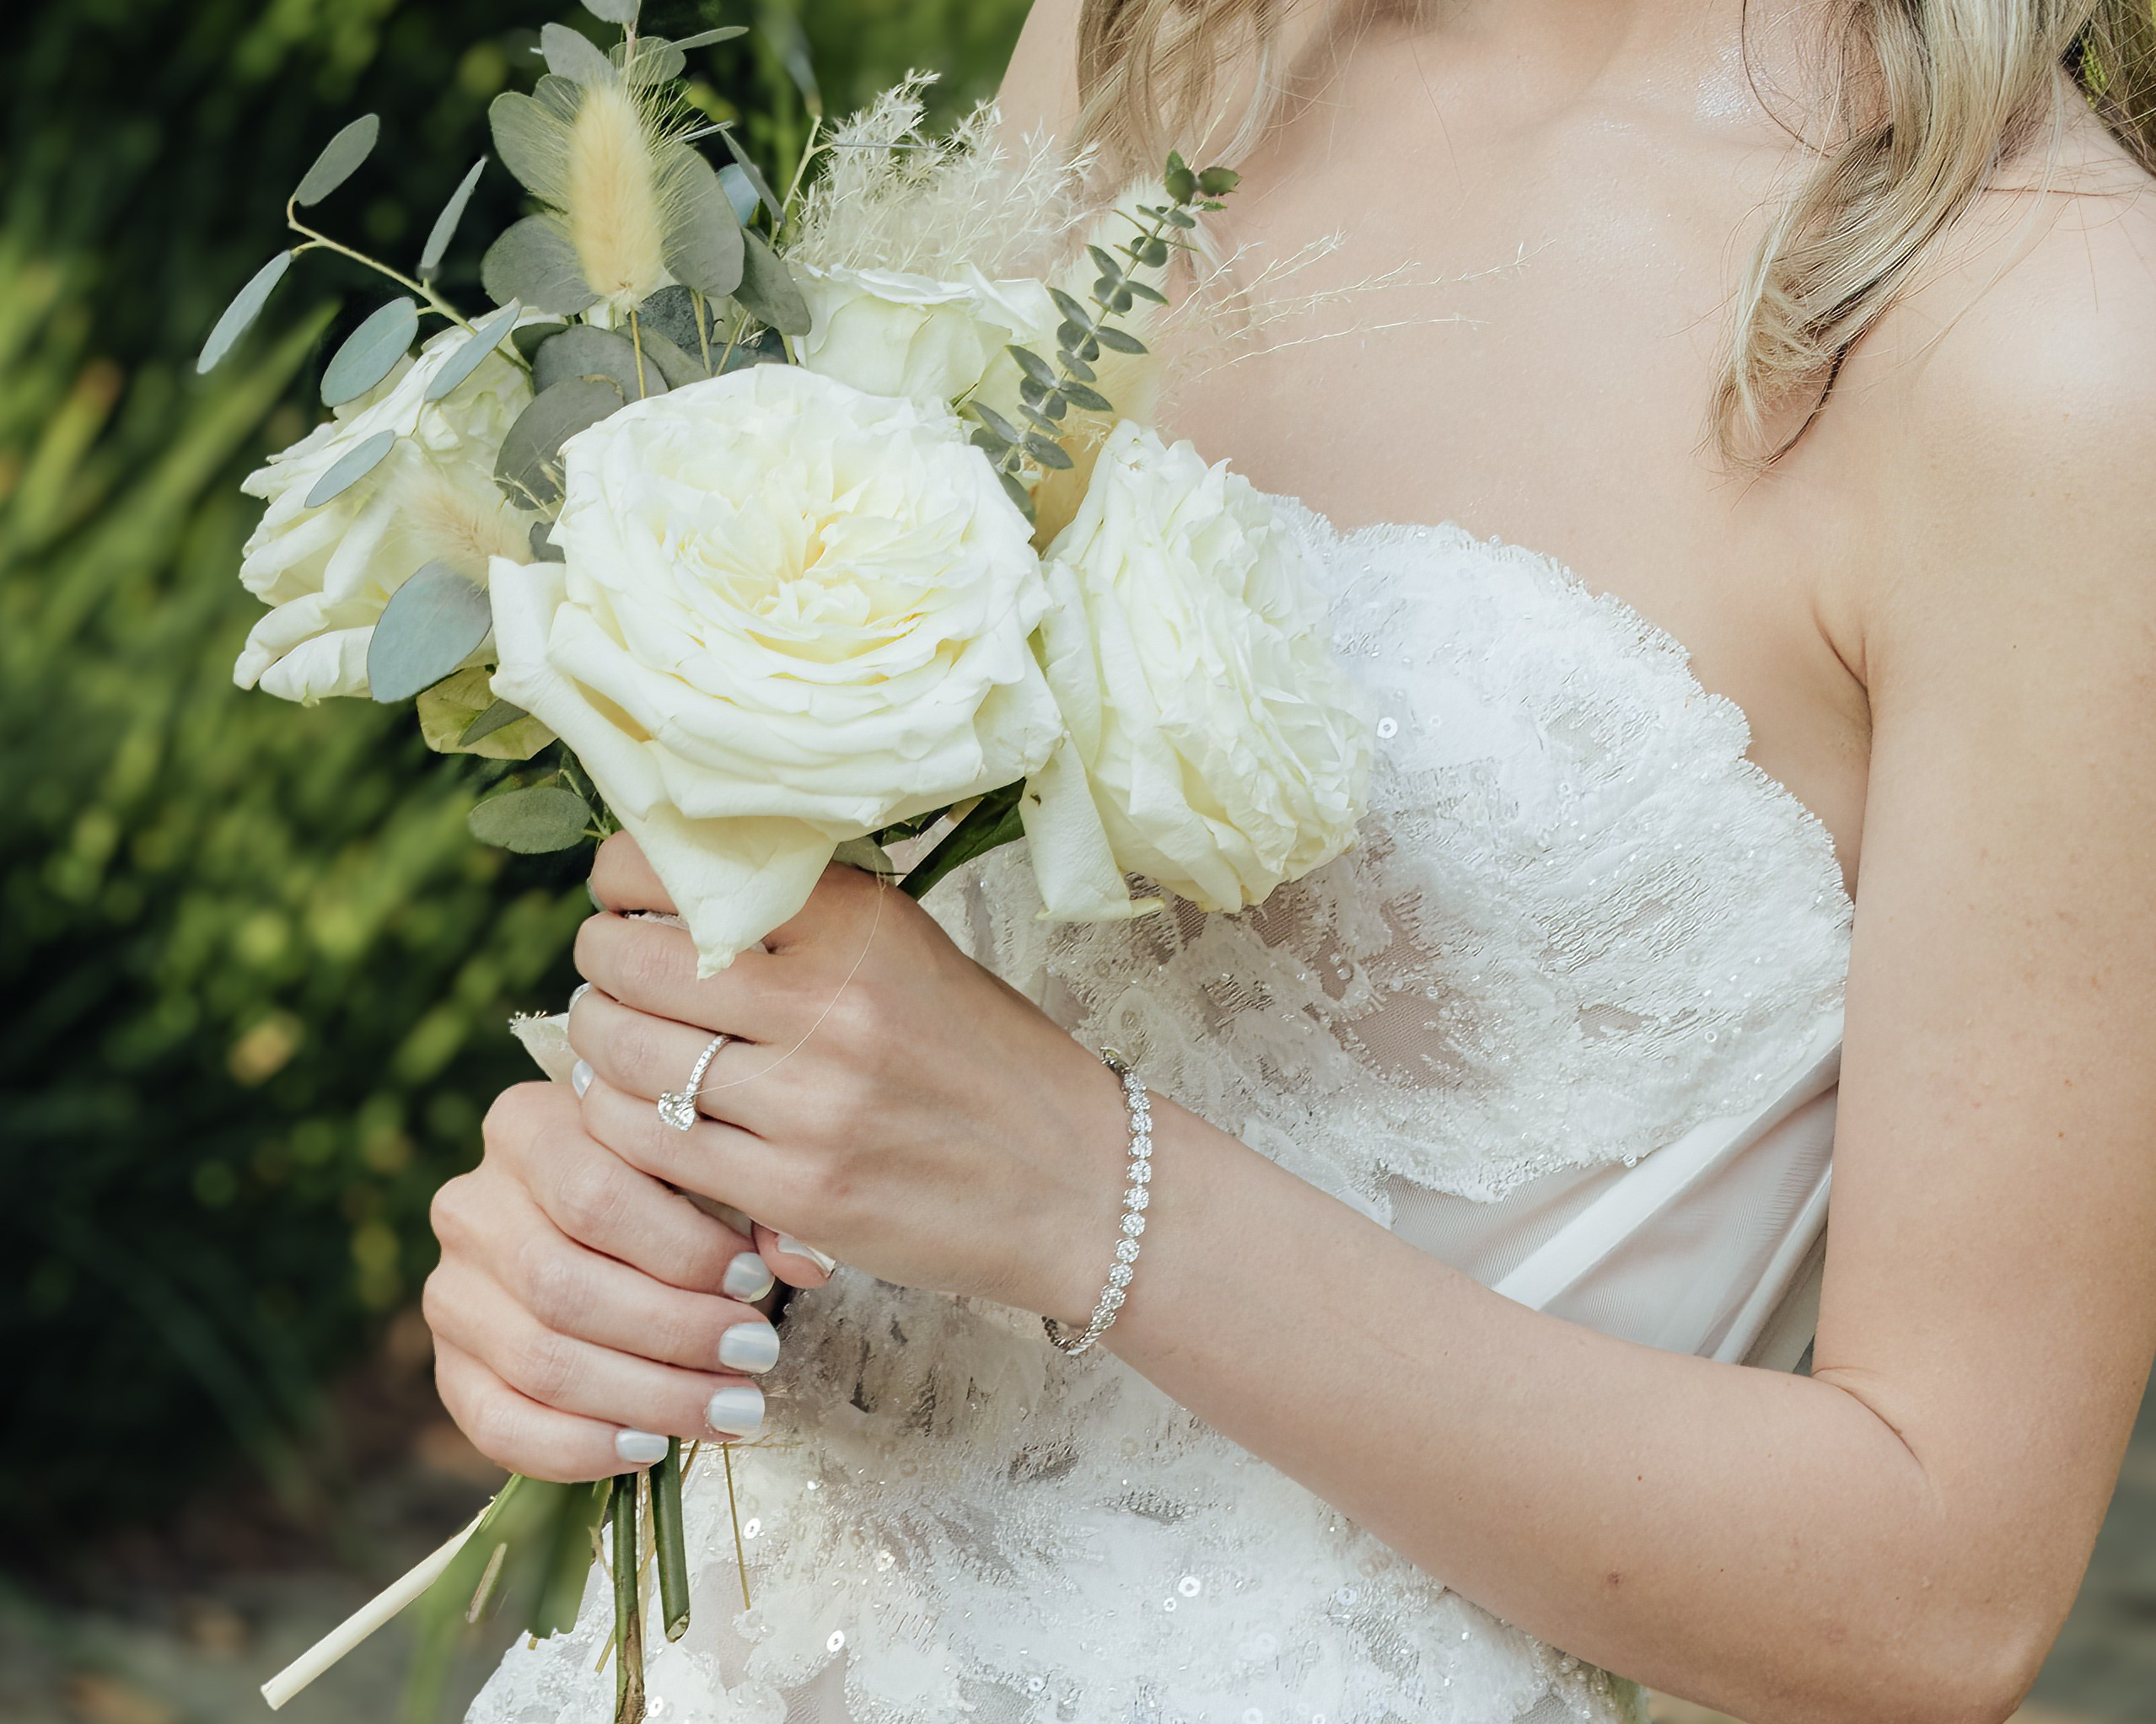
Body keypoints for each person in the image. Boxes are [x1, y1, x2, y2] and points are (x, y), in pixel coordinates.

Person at [430, 3, 2156, 1719]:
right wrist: (618, 1234)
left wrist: (1090, 1194)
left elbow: (1942, 1596)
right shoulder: (1153, 47)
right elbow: (912, 993)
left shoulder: (2042, 327)